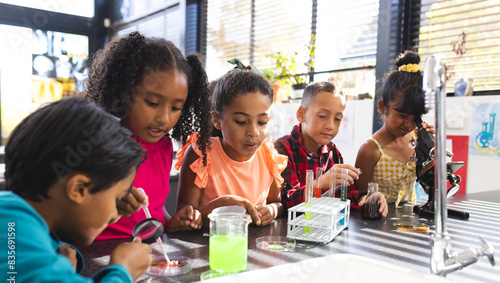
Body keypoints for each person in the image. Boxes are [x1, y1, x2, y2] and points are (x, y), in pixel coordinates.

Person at [0, 96, 152, 283]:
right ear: (78, 189)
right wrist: (123, 271)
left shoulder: (15, 219)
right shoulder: (13, 228)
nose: (115, 214)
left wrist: (57, 258)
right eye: (115, 199)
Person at [85, 32, 212, 234]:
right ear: (124, 93)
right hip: (99, 257)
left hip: (149, 254)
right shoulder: (95, 144)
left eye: (176, 108)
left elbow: (153, 207)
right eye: (153, 103)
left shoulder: (163, 146)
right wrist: (108, 204)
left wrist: (170, 222)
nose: (164, 118)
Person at [175, 68, 288, 226]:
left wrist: (272, 210)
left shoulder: (269, 156)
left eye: (262, 122)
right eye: (241, 121)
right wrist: (222, 206)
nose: (253, 132)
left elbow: (278, 204)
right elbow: (184, 217)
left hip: (255, 246)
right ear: (217, 119)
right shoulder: (201, 154)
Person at [275, 81, 388, 216]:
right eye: (322, 116)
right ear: (301, 114)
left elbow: (346, 193)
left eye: (338, 119)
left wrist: (367, 199)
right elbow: (284, 200)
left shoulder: (332, 152)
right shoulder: (282, 149)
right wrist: (320, 183)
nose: (331, 126)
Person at [354, 51, 434, 206]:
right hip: (377, 224)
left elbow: (430, 186)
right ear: (383, 107)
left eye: (415, 117)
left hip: (407, 224)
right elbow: (358, 198)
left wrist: (431, 148)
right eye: (403, 116)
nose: (408, 124)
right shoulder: (370, 150)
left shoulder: (416, 141)